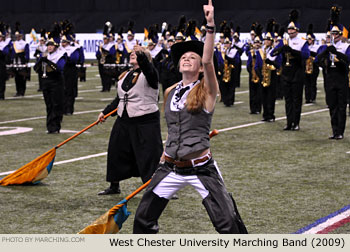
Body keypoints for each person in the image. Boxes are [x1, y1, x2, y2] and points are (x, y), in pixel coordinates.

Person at [133, 0, 247, 234]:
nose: (186, 58)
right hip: (171, 168)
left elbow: (207, 59)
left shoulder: (207, 90)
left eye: (192, 57)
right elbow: (173, 127)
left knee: (228, 225)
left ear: (201, 67)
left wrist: (211, 24)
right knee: (143, 220)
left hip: (201, 169)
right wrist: (165, 154)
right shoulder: (169, 91)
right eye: (183, 56)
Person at [97, 44, 163, 195]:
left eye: (137, 54)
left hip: (145, 120)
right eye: (132, 53)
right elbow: (120, 98)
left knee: (150, 154)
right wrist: (105, 112)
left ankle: (157, 188)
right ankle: (114, 185)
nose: (133, 54)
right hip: (124, 119)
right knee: (116, 150)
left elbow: (148, 68)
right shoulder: (126, 74)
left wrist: (141, 54)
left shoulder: (150, 74)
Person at [271, 9, 310, 131]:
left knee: (296, 99)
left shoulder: (302, 41)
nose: (290, 32)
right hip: (286, 74)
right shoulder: (284, 41)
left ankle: (296, 123)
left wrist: (292, 51)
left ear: (297, 31)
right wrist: (281, 48)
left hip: (297, 73)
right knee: (288, 100)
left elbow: (306, 55)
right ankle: (289, 122)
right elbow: (273, 53)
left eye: (292, 30)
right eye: (289, 30)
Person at [315, 5, 350, 140]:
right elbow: (317, 61)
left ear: (341, 35)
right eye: (332, 34)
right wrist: (326, 51)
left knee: (341, 106)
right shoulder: (327, 47)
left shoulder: (346, 46)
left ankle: (340, 131)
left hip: (341, 78)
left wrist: (337, 54)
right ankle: (334, 130)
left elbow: (348, 60)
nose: (333, 36)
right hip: (330, 79)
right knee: (332, 106)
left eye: (336, 34)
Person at [33, 23, 67, 134]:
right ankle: (49, 126)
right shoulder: (45, 55)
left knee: (56, 104)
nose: (49, 47)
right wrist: (41, 59)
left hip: (56, 82)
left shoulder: (61, 54)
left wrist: (48, 62)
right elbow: (36, 68)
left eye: (52, 45)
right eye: (48, 45)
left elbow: (60, 68)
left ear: (56, 46)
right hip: (46, 82)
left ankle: (55, 127)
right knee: (49, 105)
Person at [61, 22, 80, 115]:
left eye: (64, 42)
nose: (62, 43)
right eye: (62, 41)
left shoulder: (73, 49)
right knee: (62, 90)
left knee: (70, 91)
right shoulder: (60, 49)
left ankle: (69, 109)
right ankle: (63, 108)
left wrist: (66, 58)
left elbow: (75, 59)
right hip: (62, 71)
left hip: (71, 71)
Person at [12, 22, 29, 97]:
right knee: (17, 77)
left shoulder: (25, 43)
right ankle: (18, 91)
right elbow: (12, 53)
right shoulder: (14, 43)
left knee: (22, 77)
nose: (17, 37)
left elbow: (27, 53)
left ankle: (22, 91)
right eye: (16, 36)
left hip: (22, 61)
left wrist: (26, 61)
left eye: (19, 36)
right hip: (15, 62)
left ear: (21, 36)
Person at [304, 24, 320, 104]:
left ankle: (312, 97)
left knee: (313, 83)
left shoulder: (317, 47)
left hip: (314, 67)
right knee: (306, 83)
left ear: (313, 39)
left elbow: (318, 56)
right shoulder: (305, 47)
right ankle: (307, 98)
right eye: (307, 39)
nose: (308, 40)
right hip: (306, 66)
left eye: (309, 39)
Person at [0, 22, 12, 100]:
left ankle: (1, 95)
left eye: (0, 37)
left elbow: (6, 53)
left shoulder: (5, 44)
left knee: (1, 80)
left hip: (1, 64)